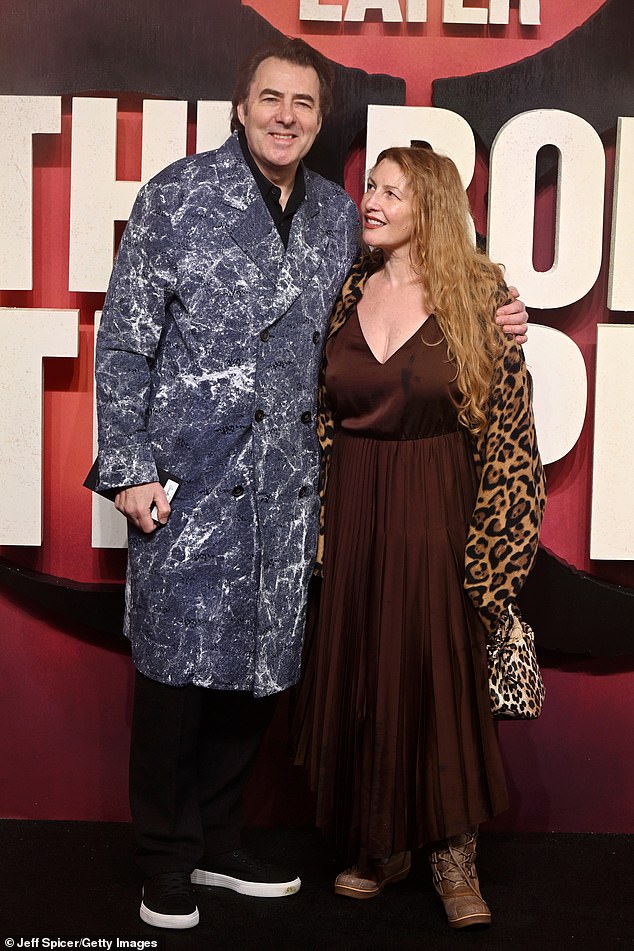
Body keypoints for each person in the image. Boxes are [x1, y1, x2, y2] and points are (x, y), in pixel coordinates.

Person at [95, 37, 530, 931]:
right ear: (241, 104)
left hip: (295, 500)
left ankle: (222, 845)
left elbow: (425, 287)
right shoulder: (175, 197)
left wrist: (501, 304)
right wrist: (130, 469)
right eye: (271, 97)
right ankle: (166, 862)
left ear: (319, 116)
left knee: (258, 680)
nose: (286, 114)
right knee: (175, 684)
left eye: (303, 101)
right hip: (188, 488)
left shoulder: (340, 217)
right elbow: (125, 339)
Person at [292, 146, 546, 930]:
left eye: (392, 191)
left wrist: (496, 553)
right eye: (371, 185)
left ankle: (452, 851)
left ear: (428, 206)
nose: (371, 199)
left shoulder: (479, 295)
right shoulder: (347, 291)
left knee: (437, 673)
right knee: (366, 667)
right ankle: (380, 843)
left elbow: (510, 433)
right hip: (357, 507)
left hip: (440, 505)